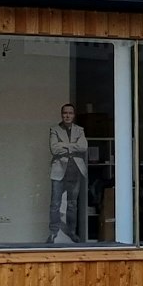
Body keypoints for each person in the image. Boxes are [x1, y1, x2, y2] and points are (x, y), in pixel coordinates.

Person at [46, 103, 88, 244]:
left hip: (75, 171)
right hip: (59, 170)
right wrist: (73, 147)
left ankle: (71, 231)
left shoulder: (80, 130)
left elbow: (83, 147)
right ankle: (53, 233)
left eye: (70, 113)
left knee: (72, 204)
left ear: (74, 115)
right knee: (55, 204)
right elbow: (54, 149)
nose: (67, 115)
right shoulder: (55, 129)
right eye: (65, 113)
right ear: (61, 114)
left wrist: (64, 146)